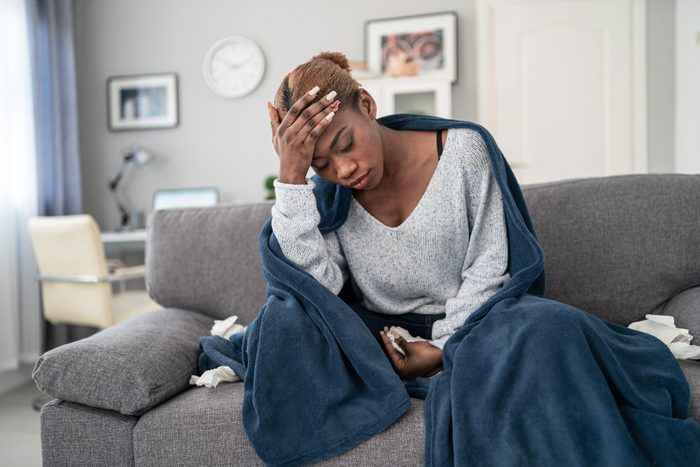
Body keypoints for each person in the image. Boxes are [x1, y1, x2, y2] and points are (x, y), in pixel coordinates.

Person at [266, 51, 510, 381]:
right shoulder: (328, 195)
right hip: (377, 338)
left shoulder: (465, 151)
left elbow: (490, 265)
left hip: (475, 325)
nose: (344, 169)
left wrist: (443, 346)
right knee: (278, 329)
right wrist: (291, 178)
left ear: (367, 105)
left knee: (548, 326)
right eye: (320, 165)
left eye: (346, 142)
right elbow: (319, 289)